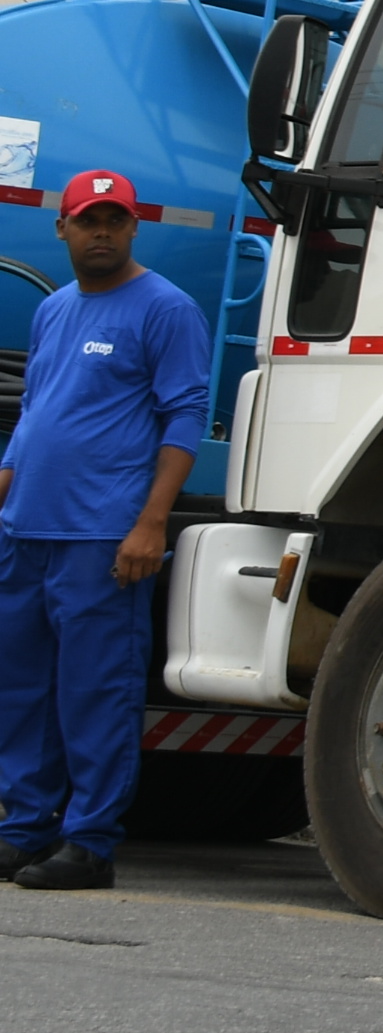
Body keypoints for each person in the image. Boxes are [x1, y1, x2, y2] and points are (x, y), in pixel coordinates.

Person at [0, 170, 207, 891]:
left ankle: (89, 842)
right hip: (27, 530)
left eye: (115, 220)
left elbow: (185, 416)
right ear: (62, 228)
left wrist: (150, 523)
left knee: (95, 690)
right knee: (22, 690)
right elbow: (34, 414)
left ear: (133, 228)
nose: (102, 233)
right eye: (88, 220)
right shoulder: (53, 310)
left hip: (100, 534)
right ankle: (24, 829)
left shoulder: (166, 309)